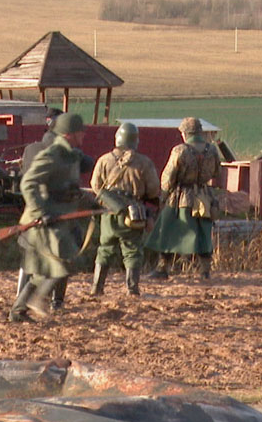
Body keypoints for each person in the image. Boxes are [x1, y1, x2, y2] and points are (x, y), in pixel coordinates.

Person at [10, 113, 92, 321]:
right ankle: (35, 300)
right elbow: (28, 183)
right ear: (68, 134)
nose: (83, 134)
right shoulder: (53, 154)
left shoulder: (71, 155)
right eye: (79, 131)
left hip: (60, 218)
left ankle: (18, 311)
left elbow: (69, 188)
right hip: (44, 220)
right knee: (61, 263)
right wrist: (41, 212)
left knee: (44, 270)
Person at [144, 117, 222, 280]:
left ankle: (163, 268)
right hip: (204, 197)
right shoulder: (212, 150)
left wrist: (163, 196)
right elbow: (217, 173)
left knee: (168, 231)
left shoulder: (180, 150)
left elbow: (168, 176)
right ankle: (205, 271)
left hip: (181, 199)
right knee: (204, 233)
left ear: (185, 133)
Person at [89, 122, 160, 296]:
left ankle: (97, 288)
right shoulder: (144, 163)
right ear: (135, 140)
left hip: (109, 212)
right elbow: (153, 190)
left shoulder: (104, 160)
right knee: (132, 250)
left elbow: (96, 186)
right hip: (132, 214)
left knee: (105, 248)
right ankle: (132, 289)